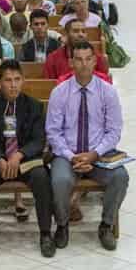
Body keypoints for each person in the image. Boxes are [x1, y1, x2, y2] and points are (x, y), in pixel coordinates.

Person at [46, 40, 129, 251]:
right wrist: (71, 156)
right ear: (71, 63)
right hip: (67, 155)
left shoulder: (108, 92)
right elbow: (53, 132)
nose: (83, 64)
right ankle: (62, 225)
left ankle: (106, 225)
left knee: (120, 176)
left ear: (94, 62)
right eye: (78, 60)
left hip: (98, 154)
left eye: (88, 59)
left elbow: (114, 131)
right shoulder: (59, 92)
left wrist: (94, 154)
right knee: (60, 180)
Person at [0, 61, 54, 257]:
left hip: (24, 160)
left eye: (17, 79)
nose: (13, 85)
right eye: (8, 80)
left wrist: (19, 155)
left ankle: (45, 233)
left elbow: (38, 140)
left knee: (41, 177)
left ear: (23, 80)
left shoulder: (34, 106)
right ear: (0, 82)